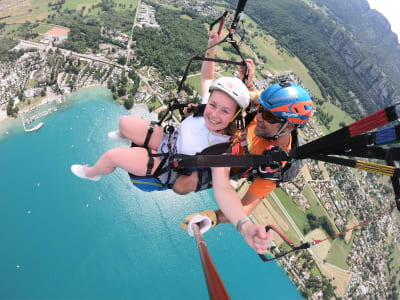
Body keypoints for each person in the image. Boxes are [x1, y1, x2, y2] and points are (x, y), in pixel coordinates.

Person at [70, 31, 273, 253]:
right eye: (213, 105)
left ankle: (92, 173)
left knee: (113, 156)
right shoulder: (207, 106)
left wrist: (244, 226)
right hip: (170, 140)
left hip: (166, 164)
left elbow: (223, 189)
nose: (214, 114)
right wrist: (211, 46)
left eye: (225, 111)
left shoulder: (221, 149)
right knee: (124, 122)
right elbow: (206, 78)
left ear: (234, 116)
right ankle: (126, 134)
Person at [180, 32, 314, 234]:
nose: (259, 117)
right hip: (225, 144)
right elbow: (226, 92)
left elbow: (244, 207)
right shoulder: (270, 106)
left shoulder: (273, 166)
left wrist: (212, 217)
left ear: (288, 127)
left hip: (226, 166)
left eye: (268, 117)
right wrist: (246, 84)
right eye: (260, 110)